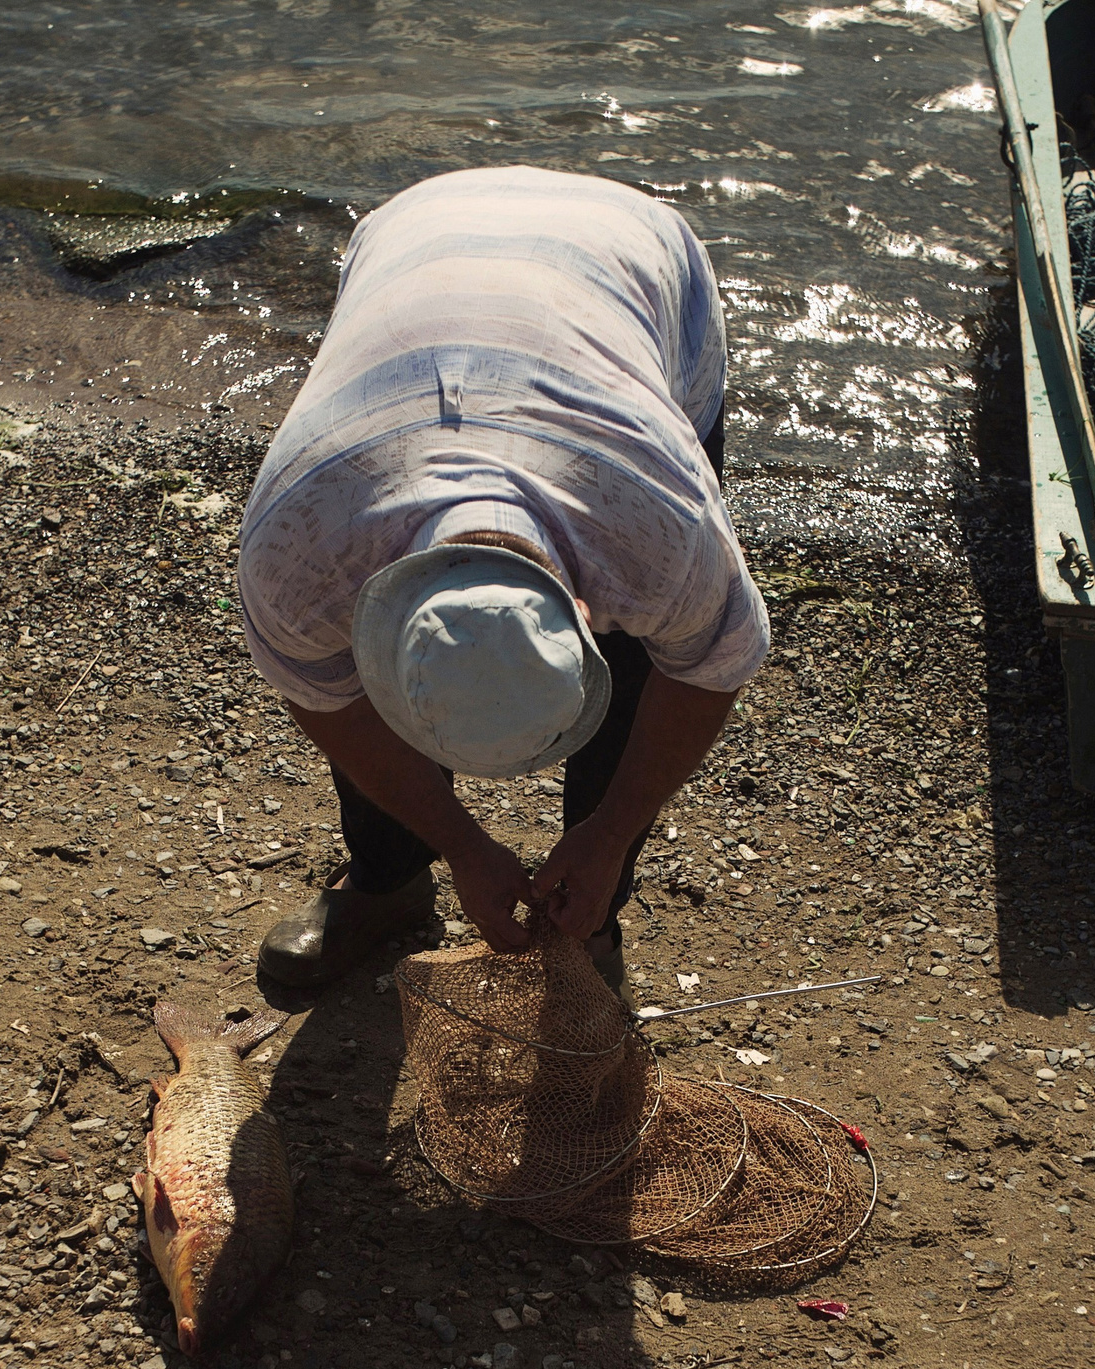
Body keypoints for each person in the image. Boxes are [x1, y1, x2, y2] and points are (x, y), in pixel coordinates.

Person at [235, 166, 769, 993]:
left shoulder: (663, 531)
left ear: (588, 611)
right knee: (378, 719)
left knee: (638, 677)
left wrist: (607, 834)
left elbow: (704, 671)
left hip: (635, 263)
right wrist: (462, 846)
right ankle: (390, 883)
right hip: (416, 237)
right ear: (378, 608)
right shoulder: (302, 551)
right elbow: (332, 701)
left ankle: (590, 918)